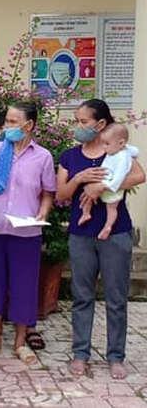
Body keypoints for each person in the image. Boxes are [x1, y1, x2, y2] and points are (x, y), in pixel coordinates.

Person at [58, 99, 145, 380]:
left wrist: (100, 187)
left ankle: (116, 356)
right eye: (77, 121)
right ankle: (80, 353)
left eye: (84, 122)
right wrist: (80, 179)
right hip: (81, 235)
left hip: (116, 233)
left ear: (101, 124)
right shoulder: (70, 156)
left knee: (116, 298)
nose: (79, 126)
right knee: (82, 296)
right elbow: (61, 194)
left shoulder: (118, 150)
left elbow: (139, 176)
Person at [0, 102, 55, 367]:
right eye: (7, 121)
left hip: (26, 232)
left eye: (12, 122)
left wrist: (43, 212)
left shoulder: (42, 157)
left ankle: (20, 342)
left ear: (28, 125)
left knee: (24, 285)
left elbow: (48, 192)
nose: (7, 126)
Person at [77, 123, 138, 240]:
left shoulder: (123, 158)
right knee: (88, 196)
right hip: (103, 181)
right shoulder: (117, 150)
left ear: (121, 143)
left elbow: (119, 176)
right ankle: (86, 214)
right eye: (103, 143)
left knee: (111, 208)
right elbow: (133, 150)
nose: (104, 147)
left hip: (111, 187)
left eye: (107, 144)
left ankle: (108, 226)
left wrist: (107, 186)